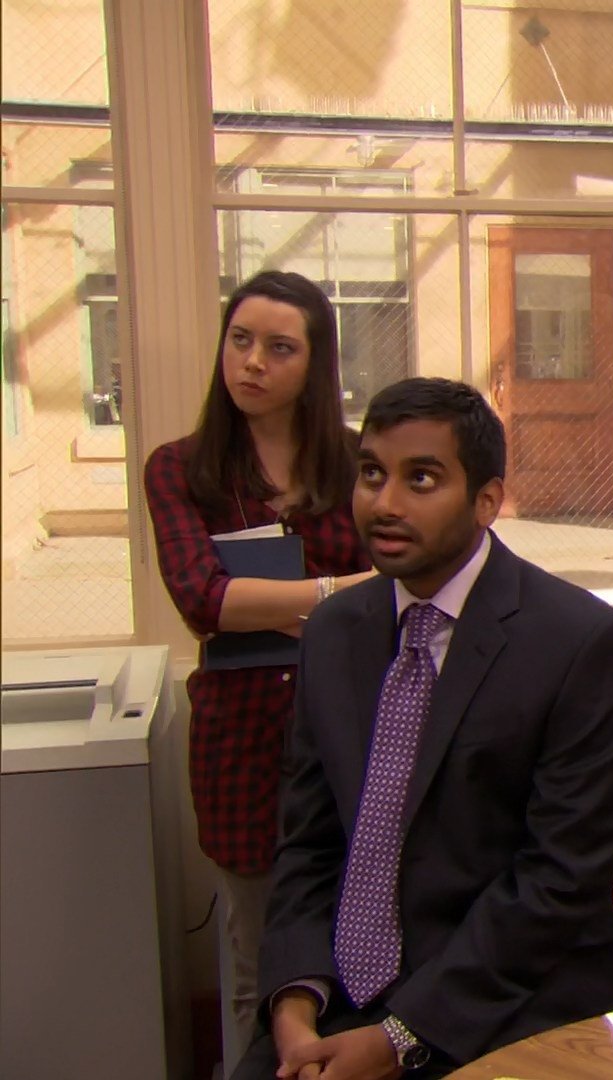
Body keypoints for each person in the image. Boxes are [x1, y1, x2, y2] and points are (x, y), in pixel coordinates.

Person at [238, 378, 613, 1079]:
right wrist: (295, 1003)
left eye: (421, 479)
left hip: (501, 1001)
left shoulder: (580, 642)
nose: (385, 503)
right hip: (338, 998)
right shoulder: (333, 632)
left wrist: (396, 1039)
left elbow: (559, 880)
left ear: (486, 501)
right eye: (372, 474)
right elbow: (308, 843)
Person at [142, 270, 375, 1072]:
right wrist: (335, 593)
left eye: (279, 348)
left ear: (315, 364)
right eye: (240, 341)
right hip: (240, 744)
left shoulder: (358, 461)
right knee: (258, 963)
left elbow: (402, 584)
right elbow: (202, 598)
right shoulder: (180, 468)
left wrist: (266, 603)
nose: (252, 362)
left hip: (351, 734)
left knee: (363, 943)